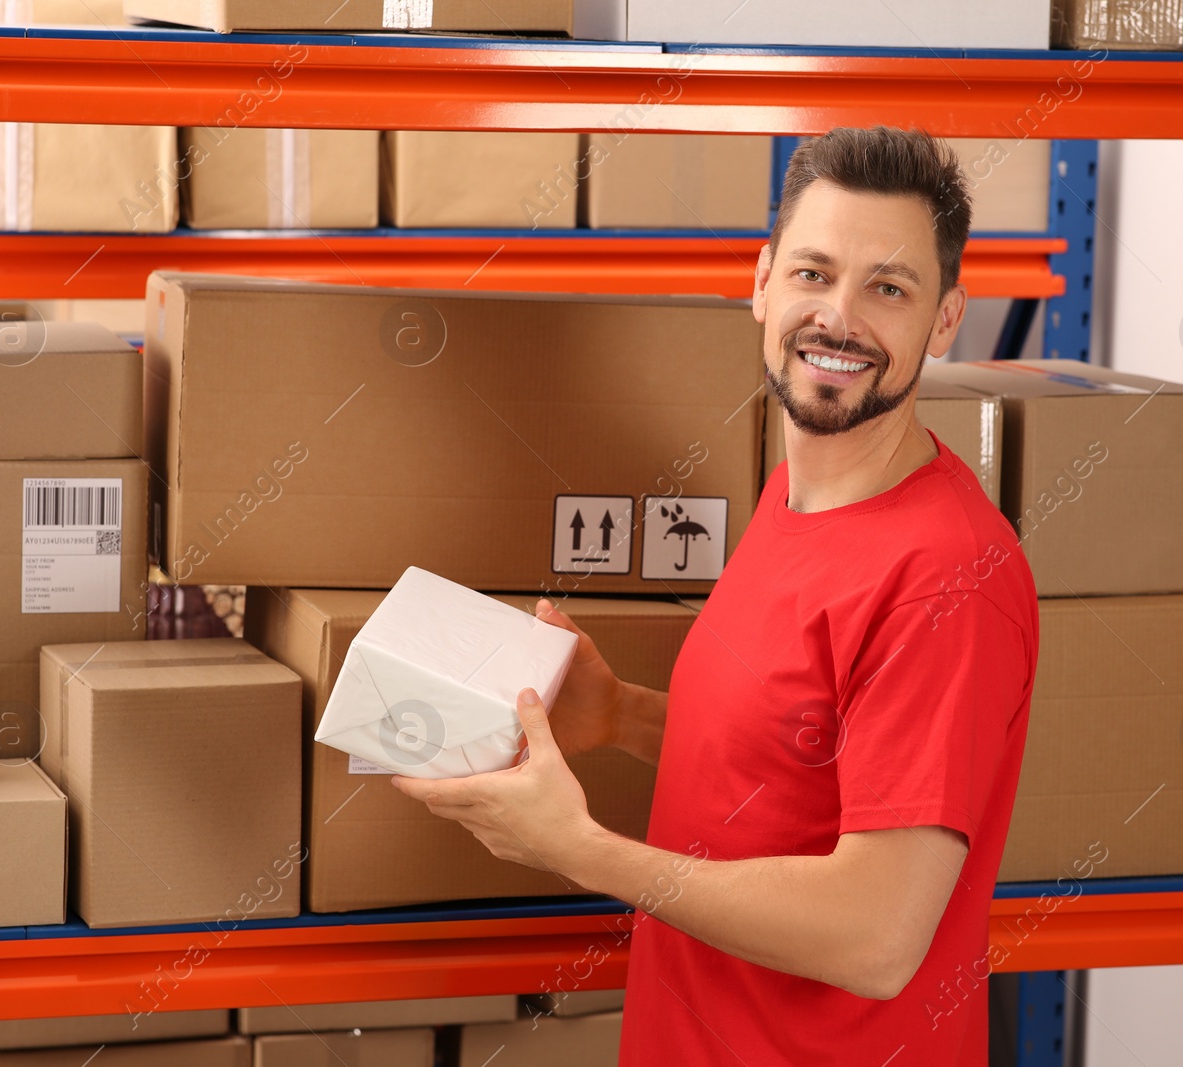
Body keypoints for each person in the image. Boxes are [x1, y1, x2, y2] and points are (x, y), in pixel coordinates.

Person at [392, 125, 1039, 1065]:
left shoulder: (945, 578)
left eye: (888, 288)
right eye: (814, 273)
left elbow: (876, 936)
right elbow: (800, 761)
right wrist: (623, 717)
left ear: (945, 319)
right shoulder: (795, 495)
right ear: (763, 282)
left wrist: (582, 848)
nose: (840, 318)